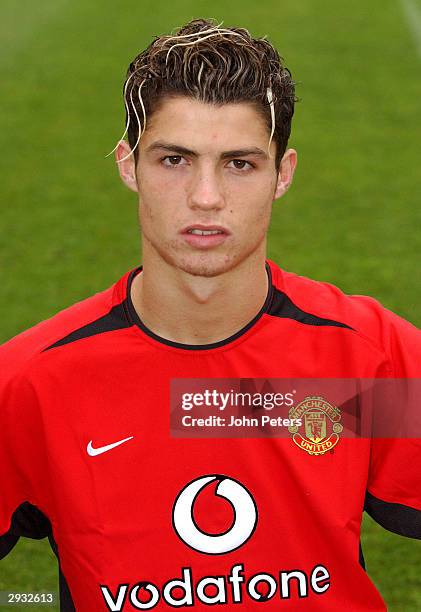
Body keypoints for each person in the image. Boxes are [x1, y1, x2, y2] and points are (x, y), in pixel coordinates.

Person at [0, 18, 420, 612]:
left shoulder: (366, 359)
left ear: (283, 174)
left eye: (239, 164)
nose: (205, 197)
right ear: (128, 165)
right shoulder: (31, 384)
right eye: (174, 160)